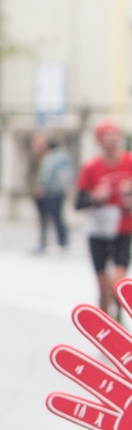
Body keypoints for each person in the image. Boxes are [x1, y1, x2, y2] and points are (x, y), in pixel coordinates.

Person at [75, 120, 132, 315]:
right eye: (107, 138)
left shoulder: (129, 162)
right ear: (99, 141)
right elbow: (78, 202)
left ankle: (119, 317)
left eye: (114, 137)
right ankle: (104, 321)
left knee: (119, 282)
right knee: (103, 285)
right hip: (98, 230)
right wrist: (95, 197)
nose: (111, 142)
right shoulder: (91, 167)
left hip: (123, 228)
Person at [31, 133, 72, 254]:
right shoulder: (63, 156)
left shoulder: (50, 158)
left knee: (47, 218)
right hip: (59, 191)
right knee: (58, 217)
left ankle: (46, 243)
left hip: (49, 192)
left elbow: (46, 175)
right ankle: (62, 242)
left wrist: (41, 187)